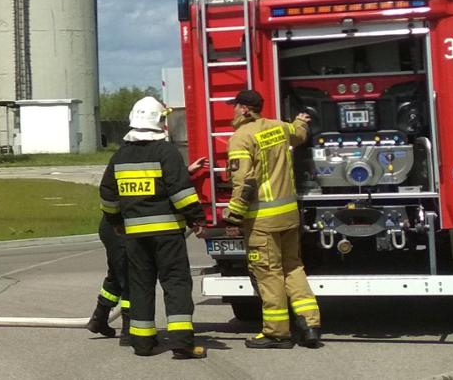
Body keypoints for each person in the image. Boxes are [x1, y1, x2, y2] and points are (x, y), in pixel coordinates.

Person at [87, 99, 208, 339]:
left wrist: (115, 222)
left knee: (130, 280)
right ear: (160, 122)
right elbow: (177, 190)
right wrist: (197, 219)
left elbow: (110, 192)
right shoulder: (166, 152)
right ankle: (167, 338)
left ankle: (130, 334)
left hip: (127, 231)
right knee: (167, 283)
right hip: (155, 232)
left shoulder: (121, 155)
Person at [224, 89, 321, 349]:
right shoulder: (279, 128)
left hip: (262, 221)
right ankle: (310, 325)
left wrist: (234, 214)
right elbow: (300, 134)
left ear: (244, 109)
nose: (232, 111)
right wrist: (301, 120)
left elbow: (243, 181)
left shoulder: (241, 138)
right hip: (289, 216)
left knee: (269, 274)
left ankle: (277, 333)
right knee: (293, 268)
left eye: (234, 106)